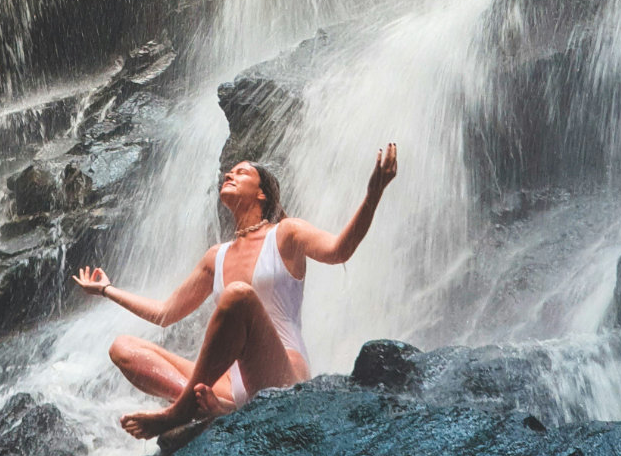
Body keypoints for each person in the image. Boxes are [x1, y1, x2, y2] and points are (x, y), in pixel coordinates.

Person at [73, 143, 398, 438]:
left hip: (281, 374)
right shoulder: (216, 256)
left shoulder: (286, 234)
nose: (230, 173)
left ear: (262, 194)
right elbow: (164, 314)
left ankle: (180, 411)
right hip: (230, 384)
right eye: (230, 171)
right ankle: (205, 408)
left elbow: (339, 250)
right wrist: (107, 290)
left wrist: (373, 196)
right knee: (123, 347)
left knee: (239, 296)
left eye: (242, 172)